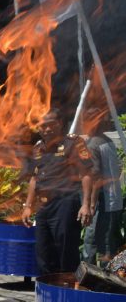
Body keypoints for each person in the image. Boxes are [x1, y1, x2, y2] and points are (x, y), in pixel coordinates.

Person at [21, 110, 93, 276]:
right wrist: (27, 206)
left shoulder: (74, 143)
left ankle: (69, 289)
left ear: (59, 124)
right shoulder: (38, 148)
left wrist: (86, 205)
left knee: (65, 250)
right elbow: (34, 178)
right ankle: (48, 291)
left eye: (50, 125)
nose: (46, 129)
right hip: (43, 207)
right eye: (42, 126)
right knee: (43, 252)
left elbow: (86, 174)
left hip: (65, 203)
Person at [83, 128, 123, 266]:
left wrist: (91, 205)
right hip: (113, 198)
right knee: (107, 242)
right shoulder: (108, 141)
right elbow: (119, 166)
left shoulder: (93, 143)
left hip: (103, 200)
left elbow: (95, 176)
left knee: (94, 241)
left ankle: (94, 279)